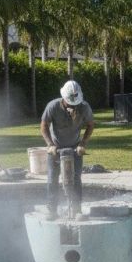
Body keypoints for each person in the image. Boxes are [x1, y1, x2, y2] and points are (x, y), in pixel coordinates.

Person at [40, 80, 94, 219]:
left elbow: (90, 125)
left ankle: (77, 210)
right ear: (63, 97)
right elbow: (44, 125)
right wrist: (50, 144)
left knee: (76, 178)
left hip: (75, 148)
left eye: (75, 103)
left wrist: (83, 143)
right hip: (55, 149)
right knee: (52, 178)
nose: (72, 105)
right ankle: (51, 209)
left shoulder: (84, 107)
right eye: (70, 103)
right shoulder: (52, 106)